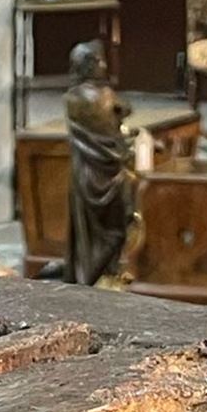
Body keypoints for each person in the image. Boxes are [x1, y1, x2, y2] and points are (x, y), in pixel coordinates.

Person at [65, 39, 132, 287]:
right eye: (99, 60)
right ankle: (105, 271)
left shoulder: (71, 98)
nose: (104, 64)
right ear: (90, 65)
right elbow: (125, 110)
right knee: (118, 225)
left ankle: (90, 272)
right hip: (108, 172)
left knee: (87, 230)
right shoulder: (104, 95)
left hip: (84, 172)